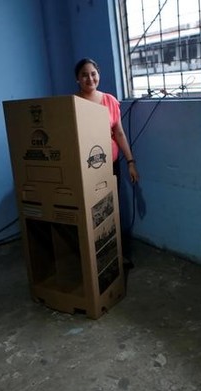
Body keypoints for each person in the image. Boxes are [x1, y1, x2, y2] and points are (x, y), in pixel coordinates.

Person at [75, 58, 139, 267]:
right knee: (91, 212)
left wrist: (130, 161)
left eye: (93, 73)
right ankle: (93, 260)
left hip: (110, 166)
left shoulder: (110, 101)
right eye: (84, 74)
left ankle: (116, 255)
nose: (90, 78)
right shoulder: (73, 104)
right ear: (78, 79)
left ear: (98, 75)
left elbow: (119, 133)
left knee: (111, 209)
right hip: (85, 169)